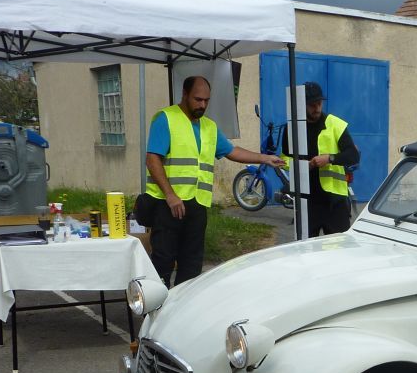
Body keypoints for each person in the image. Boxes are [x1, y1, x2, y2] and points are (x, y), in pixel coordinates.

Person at [143, 75, 285, 286]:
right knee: (162, 264)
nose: (202, 105)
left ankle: (185, 306)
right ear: (184, 94)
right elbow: (152, 159)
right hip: (168, 205)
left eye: (206, 100)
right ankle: (157, 306)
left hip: (197, 205)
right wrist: (170, 195)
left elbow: (232, 151)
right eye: (197, 99)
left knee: (191, 267)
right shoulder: (166, 119)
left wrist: (264, 158)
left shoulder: (209, 127)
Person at [280, 81, 361, 236]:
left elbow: (353, 155)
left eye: (319, 103)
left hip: (335, 202)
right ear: (301, 105)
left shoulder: (335, 124)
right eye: (312, 105)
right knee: (306, 248)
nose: (317, 108)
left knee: (338, 247)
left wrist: (329, 158)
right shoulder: (291, 128)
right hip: (306, 202)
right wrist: (305, 166)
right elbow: (284, 159)